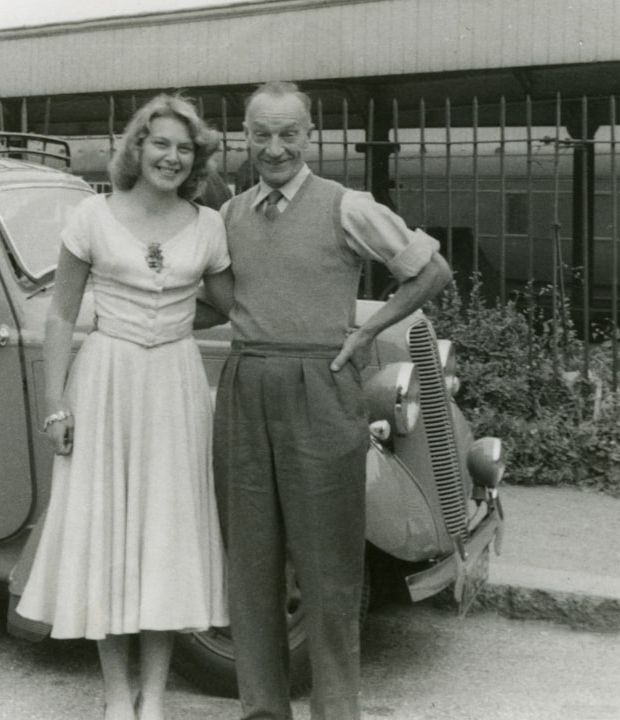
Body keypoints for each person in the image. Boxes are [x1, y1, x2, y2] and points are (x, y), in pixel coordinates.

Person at [214, 81, 453, 720]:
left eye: (288, 132)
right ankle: (263, 711)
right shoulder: (231, 216)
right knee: (252, 570)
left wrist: (369, 329)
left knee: (330, 573)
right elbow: (212, 303)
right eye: (261, 133)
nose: (274, 147)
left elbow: (430, 269)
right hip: (245, 388)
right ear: (246, 135)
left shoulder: (347, 206)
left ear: (309, 135)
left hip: (321, 388)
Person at [15, 94, 233, 720]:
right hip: (106, 380)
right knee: (109, 532)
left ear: (196, 160)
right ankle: (116, 697)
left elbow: (224, 304)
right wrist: (55, 406)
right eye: (159, 143)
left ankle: (156, 698)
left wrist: (174, 321)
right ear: (136, 148)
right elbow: (59, 315)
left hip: (174, 384)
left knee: (164, 535)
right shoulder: (91, 216)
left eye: (184, 148)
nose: (171, 156)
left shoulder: (208, 224)